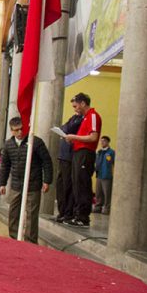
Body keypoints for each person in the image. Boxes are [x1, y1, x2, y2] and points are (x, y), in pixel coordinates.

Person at [0, 117, 54, 244]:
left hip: (33, 184)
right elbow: (5, 165)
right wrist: (2, 183)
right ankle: (14, 238)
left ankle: (30, 241)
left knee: (31, 215)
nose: (20, 132)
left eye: (22, 129)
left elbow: (47, 161)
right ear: (11, 131)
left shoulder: (36, 142)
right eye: (16, 130)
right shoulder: (8, 145)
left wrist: (47, 181)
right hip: (16, 185)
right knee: (13, 212)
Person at [62, 93, 102, 227]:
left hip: (86, 153)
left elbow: (93, 137)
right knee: (77, 184)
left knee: (83, 184)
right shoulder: (85, 118)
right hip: (78, 152)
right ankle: (77, 214)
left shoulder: (93, 116)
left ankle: (83, 216)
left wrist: (75, 137)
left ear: (83, 103)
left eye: (76, 106)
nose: (75, 109)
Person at [54, 111, 84, 222]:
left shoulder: (81, 119)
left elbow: (69, 128)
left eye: (76, 106)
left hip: (70, 156)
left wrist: (67, 128)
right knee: (60, 185)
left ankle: (67, 213)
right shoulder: (74, 117)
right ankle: (61, 211)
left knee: (68, 186)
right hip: (63, 156)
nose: (74, 109)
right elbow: (64, 127)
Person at [93, 136, 115, 215]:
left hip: (107, 175)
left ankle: (107, 208)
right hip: (99, 175)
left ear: (108, 142)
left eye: (104, 141)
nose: (102, 142)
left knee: (107, 193)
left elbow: (114, 163)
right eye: (101, 141)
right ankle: (98, 207)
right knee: (98, 193)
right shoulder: (99, 152)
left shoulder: (111, 152)